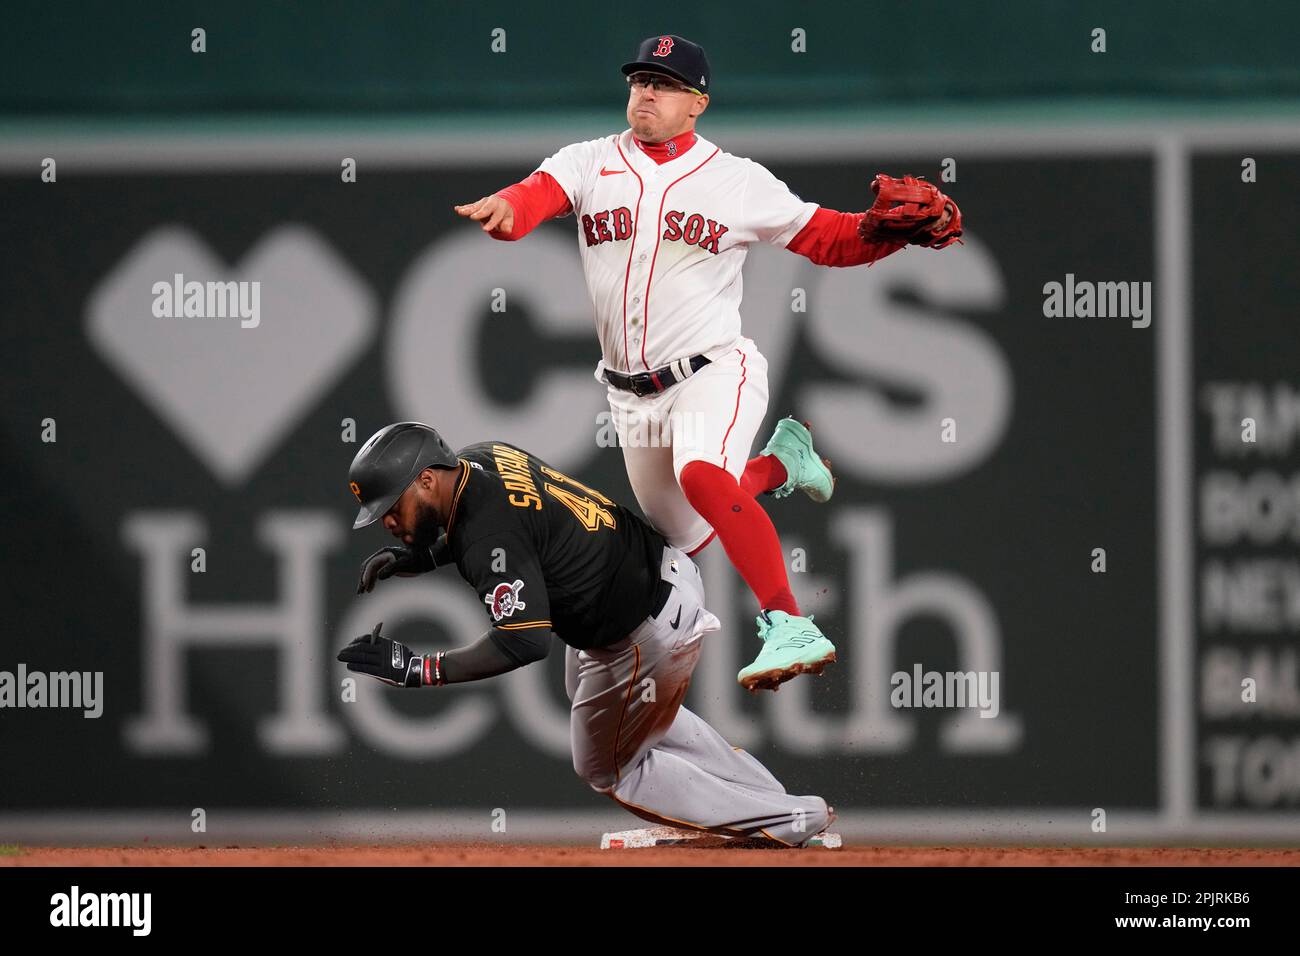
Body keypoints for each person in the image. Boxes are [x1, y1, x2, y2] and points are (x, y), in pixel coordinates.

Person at [453, 33, 961, 690]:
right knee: (685, 540)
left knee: (700, 474)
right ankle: (784, 463)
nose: (646, 93)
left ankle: (788, 623)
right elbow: (535, 195)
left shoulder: (734, 180)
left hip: (712, 370)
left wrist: (878, 233)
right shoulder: (590, 161)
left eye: (663, 84)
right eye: (640, 80)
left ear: (698, 103)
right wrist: (508, 211)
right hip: (631, 400)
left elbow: (829, 239)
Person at [337, 422, 836, 846]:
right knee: (603, 703)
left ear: (427, 480)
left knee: (608, 768)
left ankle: (785, 821)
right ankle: (778, 804)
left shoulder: (487, 534)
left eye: (392, 506)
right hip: (657, 579)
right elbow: (518, 529)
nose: (386, 521)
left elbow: (525, 640)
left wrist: (418, 670)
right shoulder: (481, 458)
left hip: (643, 628)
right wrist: (422, 556)